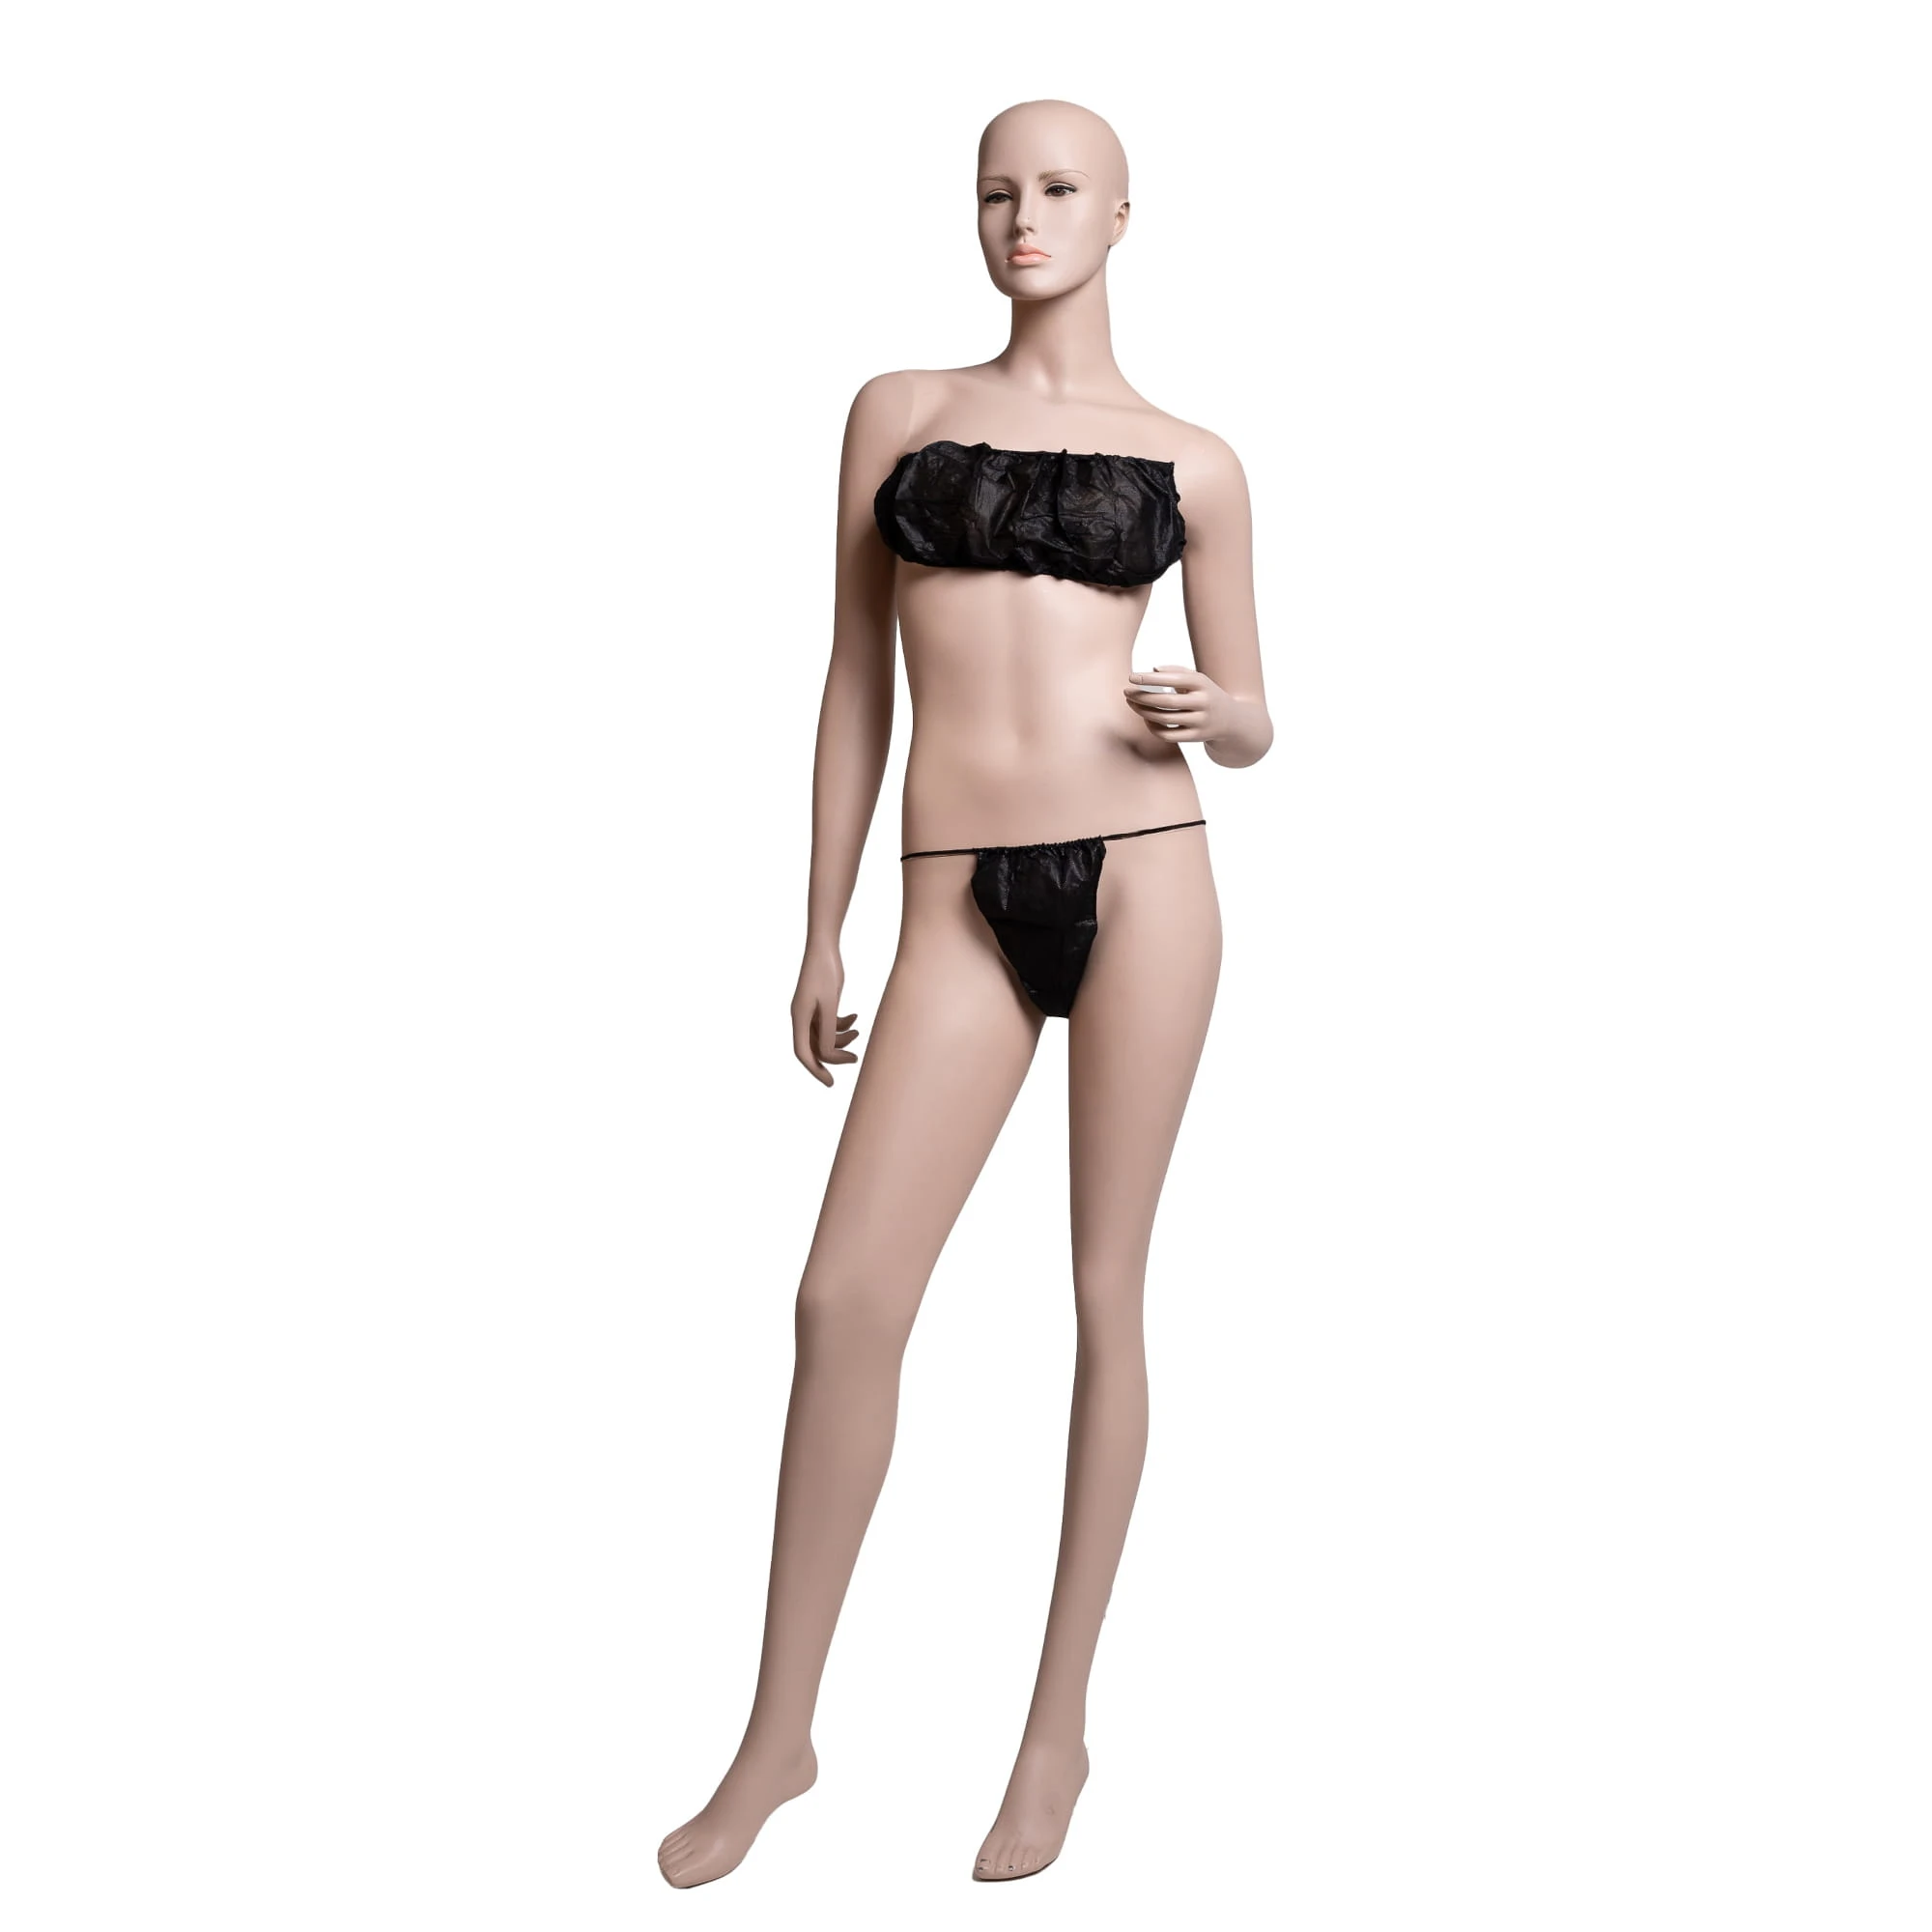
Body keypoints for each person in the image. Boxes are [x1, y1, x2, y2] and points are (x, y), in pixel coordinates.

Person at [659, 97, 1273, 1889]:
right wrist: (819, 925)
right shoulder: (898, 413)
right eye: (998, 190)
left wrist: (1223, 714)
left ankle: (1056, 1728)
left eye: (1060, 188)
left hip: (1149, 871)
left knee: (1104, 1294)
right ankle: (780, 1734)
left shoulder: (1198, 459)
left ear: (1122, 214)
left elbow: (1255, 713)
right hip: (953, 897)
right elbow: (853, 674)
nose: (1024, 217)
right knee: (845, 1297)